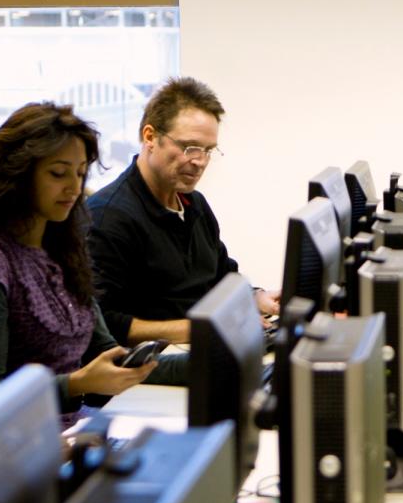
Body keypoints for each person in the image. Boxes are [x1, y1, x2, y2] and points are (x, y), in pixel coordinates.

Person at [0, 103, 184, 418]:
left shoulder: (61, 247)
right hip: (19, 447)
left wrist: (217, 359)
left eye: (80, 173)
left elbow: (107, 355)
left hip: (71, 428)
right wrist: (75, 383)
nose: (73, 187)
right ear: (19, 173)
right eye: (58, 173)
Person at [86, 77, 277, 345]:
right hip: (150, 365)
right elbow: (105, 324)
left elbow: (222, 275)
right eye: (189, 147)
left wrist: (255, 297)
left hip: (200, 348)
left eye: (208, 150)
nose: (199, 161)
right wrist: (198, 329)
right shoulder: (107, 218)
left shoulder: (194, 204)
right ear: (150, 137)